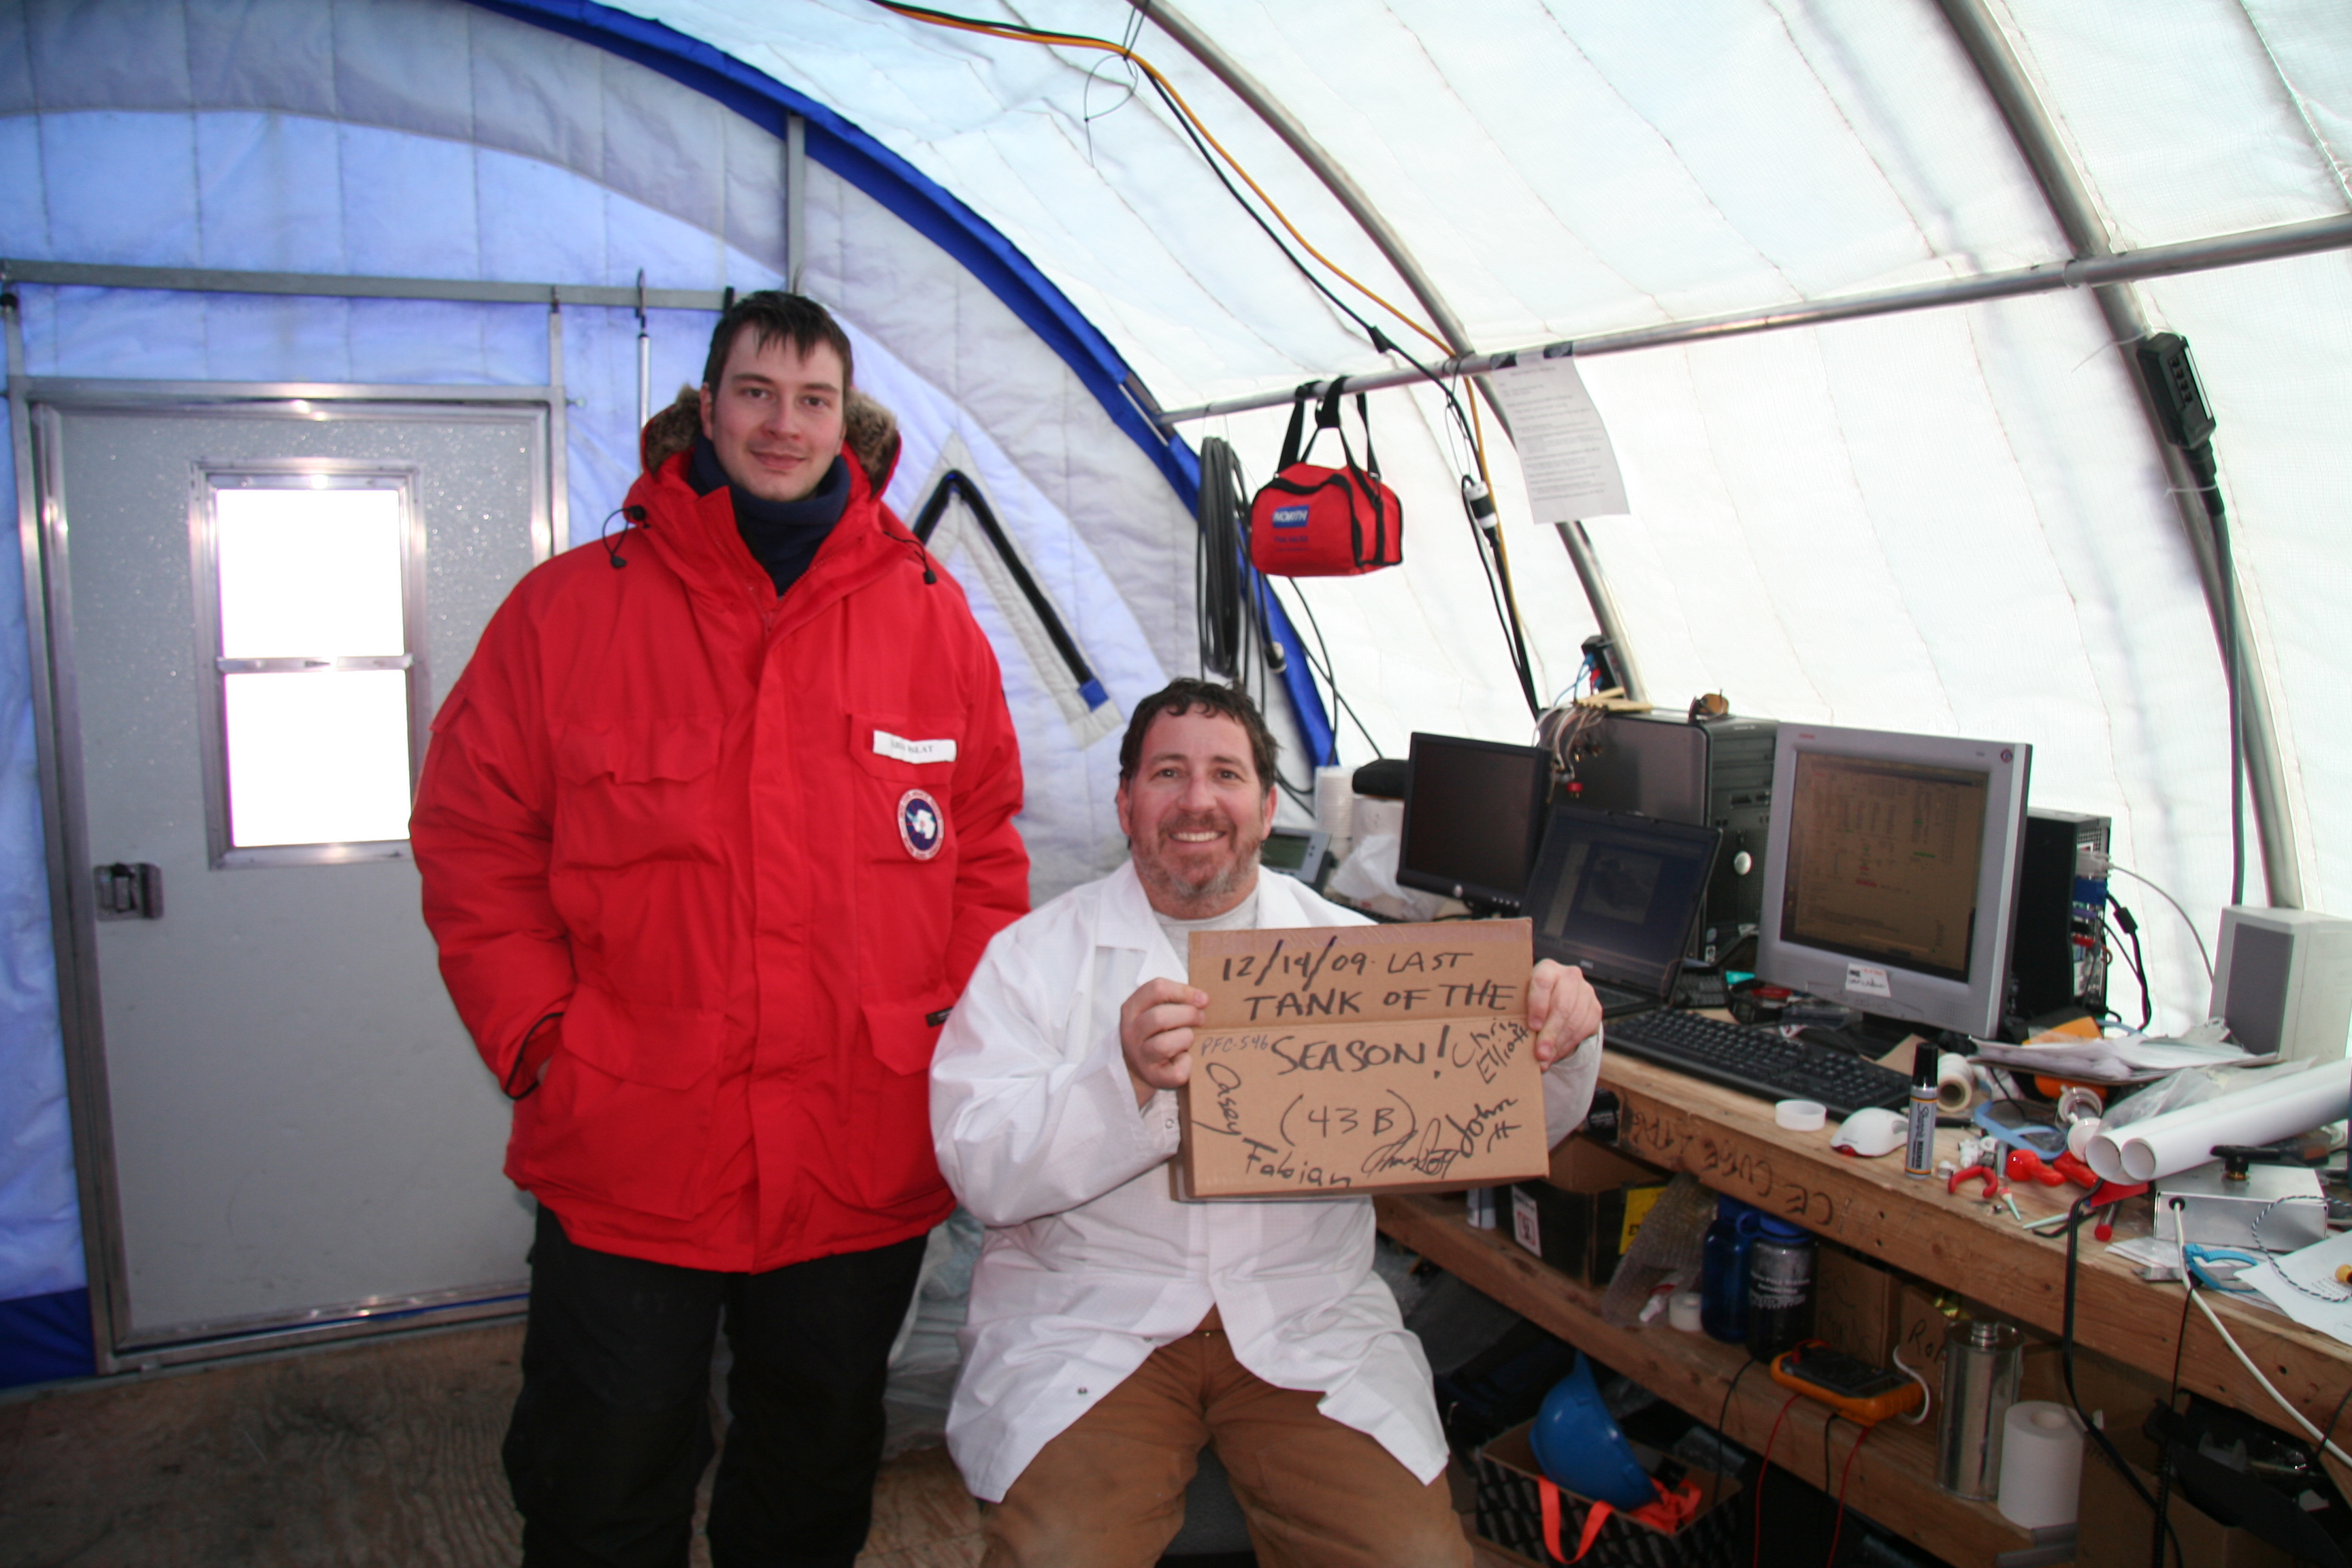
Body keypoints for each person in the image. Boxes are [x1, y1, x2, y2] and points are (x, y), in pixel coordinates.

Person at [412, 291, 1029, 1568]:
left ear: (848, 424)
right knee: (602, 1478)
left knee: (810, 1476)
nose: (782, 424)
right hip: (630, 1142)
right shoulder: (570, 612)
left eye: (812, 400)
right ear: (708, 409)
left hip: (854, 1146)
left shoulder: (929, 615)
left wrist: (942, 1035)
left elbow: (981, 852)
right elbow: (475, 839)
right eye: (756, 393)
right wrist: (540, 1038)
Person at [930, 679, 1603, 1567]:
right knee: (1056, 1555)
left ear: (1269, 807)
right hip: (1095, 1323)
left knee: (1416, 1561)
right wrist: (1120, 1081)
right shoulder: (1032, 960)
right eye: (1167, 773)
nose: (1197, 800)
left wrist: (1560, 1038)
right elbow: (979, 1167)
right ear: (1126, 802)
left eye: (1226, 774)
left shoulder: (1357, 957)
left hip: (1302, 1319)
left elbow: (1509, 1122)